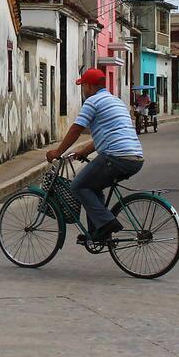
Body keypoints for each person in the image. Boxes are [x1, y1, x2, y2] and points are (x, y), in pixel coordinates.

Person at [46, 68, 145, 242]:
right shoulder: (116, 101)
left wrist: (57, 152)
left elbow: (77, 128)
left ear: (89, 86)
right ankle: (97, 233)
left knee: (77, 186)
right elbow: (109, 134)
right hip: (135, 158)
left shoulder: (93, 102)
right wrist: (83, 152)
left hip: (115, 158)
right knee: (92, 186)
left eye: (83, 85)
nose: (83, 90)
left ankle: (106, 224)